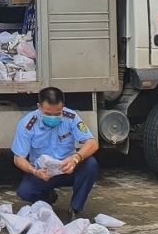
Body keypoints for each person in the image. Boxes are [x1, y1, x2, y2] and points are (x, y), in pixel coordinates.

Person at [11, 87, 100, 220]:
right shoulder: (28, 124)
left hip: (68, 168)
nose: (53, 117)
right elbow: (18, 158)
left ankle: (75, 208)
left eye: (57, 113)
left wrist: (76, 158)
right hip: (43, 173)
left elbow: (92, 143)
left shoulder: (71, 117)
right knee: (25, 192)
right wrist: (35, 172)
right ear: (39, 107)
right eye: (48, 113)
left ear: (63, 107)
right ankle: (48, 197)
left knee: (91, 164)